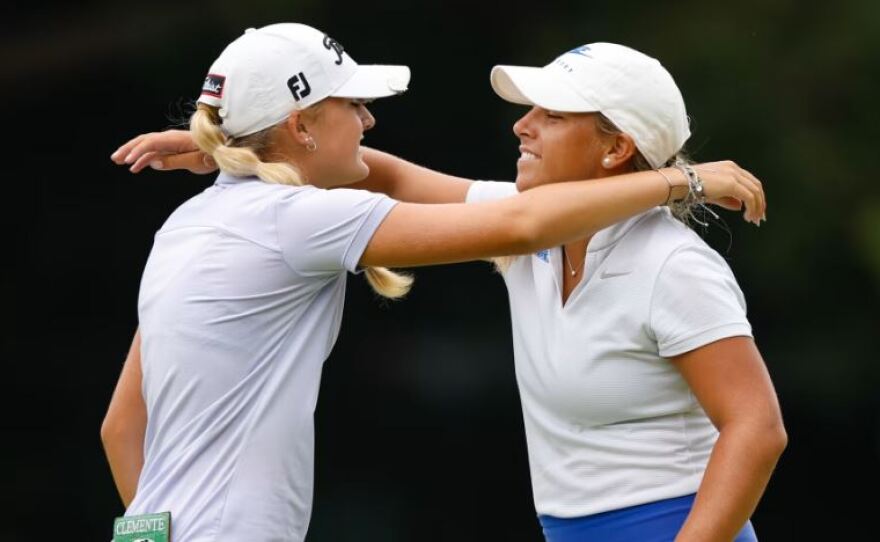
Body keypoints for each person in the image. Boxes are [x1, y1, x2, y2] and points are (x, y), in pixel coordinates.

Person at [108, 32, 769, 542]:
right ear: (300, 126)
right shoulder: (521, 228)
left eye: (551, 113)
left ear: (614, 148)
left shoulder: (672, 264)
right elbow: (511, 223)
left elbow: (757, 429)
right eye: (352, 105)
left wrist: (238, 147)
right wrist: (687, 179)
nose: (521, 125)